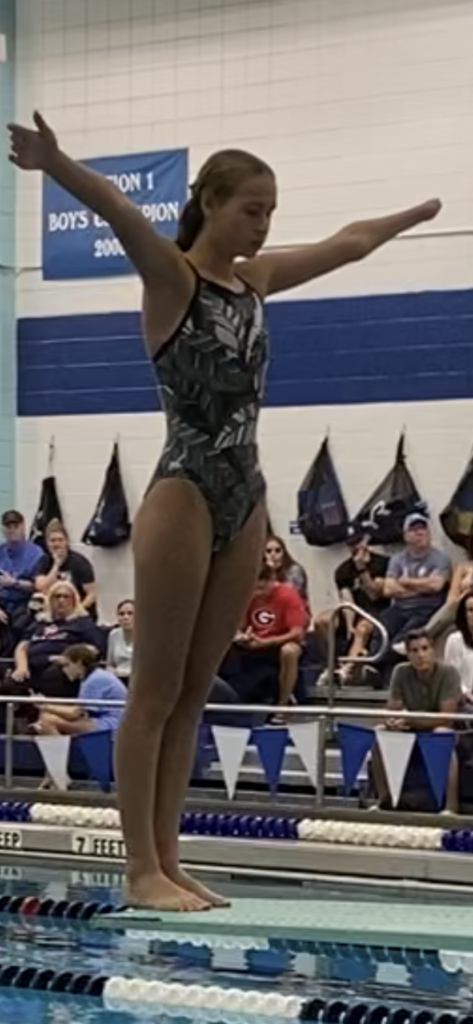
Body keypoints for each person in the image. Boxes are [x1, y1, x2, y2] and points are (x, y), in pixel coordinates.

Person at [8, 110, 442, 911]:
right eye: (251, 208)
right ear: (209, 201)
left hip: (246, 494)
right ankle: (139, 869)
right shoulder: (174, 278)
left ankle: (168, 864)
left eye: (270, 211)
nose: (264, 224)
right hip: (184, 489)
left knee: (194, 691)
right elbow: (117, 208)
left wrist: (408, 217)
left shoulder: (258, 282)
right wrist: (56, 163)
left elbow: (343, 243)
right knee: (155, 690)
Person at [371, 630, 461, 813]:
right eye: (414, 650)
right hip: (412, 727)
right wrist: (392, 721)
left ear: (433, 650)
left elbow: (445, 719)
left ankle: (452, 805)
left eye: (424, 649)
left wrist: (409, 719)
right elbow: (393, 709)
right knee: (380, 732)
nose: (420, 655)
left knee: (442, 735)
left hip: (442, 729)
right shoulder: (400, 671)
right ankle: (384, 800)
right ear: (408, 654)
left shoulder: (449, 672)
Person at [219, 566, 307, 717]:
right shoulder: (248, 595)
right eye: (257, 585)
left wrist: (269, 642)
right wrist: (242, 637)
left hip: (282, 641)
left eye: (263, 585)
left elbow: (297, 633)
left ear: (272, 580)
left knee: (289, 651)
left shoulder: (288, 595)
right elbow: (240, 626)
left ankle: (283, 704)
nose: (260, 591)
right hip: (255, 642)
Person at [315, 524, 389, 685]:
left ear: (365, 541)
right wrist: (349, 625)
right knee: (322, 621)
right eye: (350, 544)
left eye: (357, 542)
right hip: (355, 609)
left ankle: (347, 669)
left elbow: (375, 595)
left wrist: (361, 568)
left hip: (379, 610)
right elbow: (347, 598)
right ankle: (331, 666)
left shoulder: (383, 563)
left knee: (362, 628)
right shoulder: (342, 570)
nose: (354, 547)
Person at [12, 580, 105, 698]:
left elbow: (96, 649)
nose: (61, 600)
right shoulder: (41, 622)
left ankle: (48, 712)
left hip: (61, 670)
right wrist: (21, 666)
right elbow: (22, 646)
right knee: (10, 683)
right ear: (50, 600)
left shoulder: (83, 623)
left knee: (52, 676)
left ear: (74, 600)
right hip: (31, 668)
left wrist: (68, 659)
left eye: (66, 597)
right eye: (57, 596)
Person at [383, 512, 451, 652]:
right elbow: (388, 590)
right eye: (413, 530)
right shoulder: (397, 559)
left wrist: (405, 582)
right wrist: (423, 587)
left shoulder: (440, 558)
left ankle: (379, 666)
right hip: (400, 608)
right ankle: (372, 667)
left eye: (423, 528)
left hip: (425, 609)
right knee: (379, 629)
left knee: (401, 642)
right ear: (405, 536)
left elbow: (436, 586)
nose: (419, 532)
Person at [31, 644, 128, 736]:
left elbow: (75, 714)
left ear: (78, 662)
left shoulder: (95, 679)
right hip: (106, 721)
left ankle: (63, 753)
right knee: (47, 717)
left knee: (48, 720)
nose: (64, 670)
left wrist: (45, 705)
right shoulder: (92, 677)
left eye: (67, 665)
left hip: (112, 724)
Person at [34, 519, 98, 620]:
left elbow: (92, 594)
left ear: (66, 542)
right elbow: (41, 588)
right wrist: (56, 565)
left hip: (79, 613)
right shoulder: (44, 561)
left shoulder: (80, 562)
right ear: (47, 543)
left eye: (60, 540)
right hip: (53, 613)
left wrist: (77, 611)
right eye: (53, 540)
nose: (57, 544)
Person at [0, 510, 43, 650]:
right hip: (2, 603)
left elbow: (37, 586)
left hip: (25, 603)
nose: (12, 530)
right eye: (8, 526)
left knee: (18, 627)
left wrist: (14, 583)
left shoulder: (36, 554)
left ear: (23, 526)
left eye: (15, 526)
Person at [428, 535, 473, 642]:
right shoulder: (463, 567)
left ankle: (423, 636)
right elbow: (452, 597)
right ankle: (424, 635)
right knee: (453, 606)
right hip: (462, 604)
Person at [264, 535, 310, 618]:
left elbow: (291, 594)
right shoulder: (262, 571)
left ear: (283, 552)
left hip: (295, 610)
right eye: (268, 551)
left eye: (277, 550)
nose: (273, 554)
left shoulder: (294, 569)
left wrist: (272, 575)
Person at [444, 593, 473, 701]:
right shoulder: (455, 640)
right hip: (464, 699)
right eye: (470, 610)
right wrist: (467, 694)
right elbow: (452, 677)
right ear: (464, 614)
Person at [107, 599, 134, 684]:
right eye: (121, 614)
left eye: (130, 613)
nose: (125, 617)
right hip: (118, 679)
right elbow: (110, 664)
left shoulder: (147, 636)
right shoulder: (113, 634)